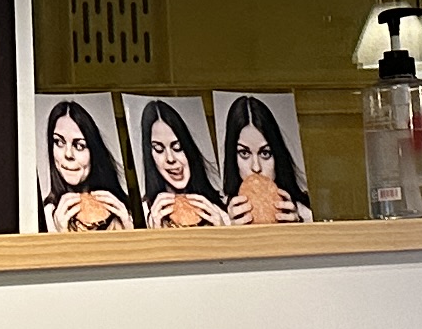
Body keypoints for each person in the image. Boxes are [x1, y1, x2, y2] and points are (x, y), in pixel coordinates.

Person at [39, 100, 134, 234]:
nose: (68, 154)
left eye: (79, 145)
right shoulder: (45, 217)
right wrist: (61, 235)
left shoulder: (125, 211)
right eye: (59, 142)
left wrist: (129, 230)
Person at [220, 96, 312, 225]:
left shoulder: (306, 215)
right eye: (244, 153)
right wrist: (231, 232)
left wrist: (297, 229)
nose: (256, 167)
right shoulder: (221, 217)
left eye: (265, 153)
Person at [135, 98, 226, 228]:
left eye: (177, 148)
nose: (170, 159)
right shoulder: (143, 215)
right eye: (159, 149)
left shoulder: (218, 212)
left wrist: (222, 229)